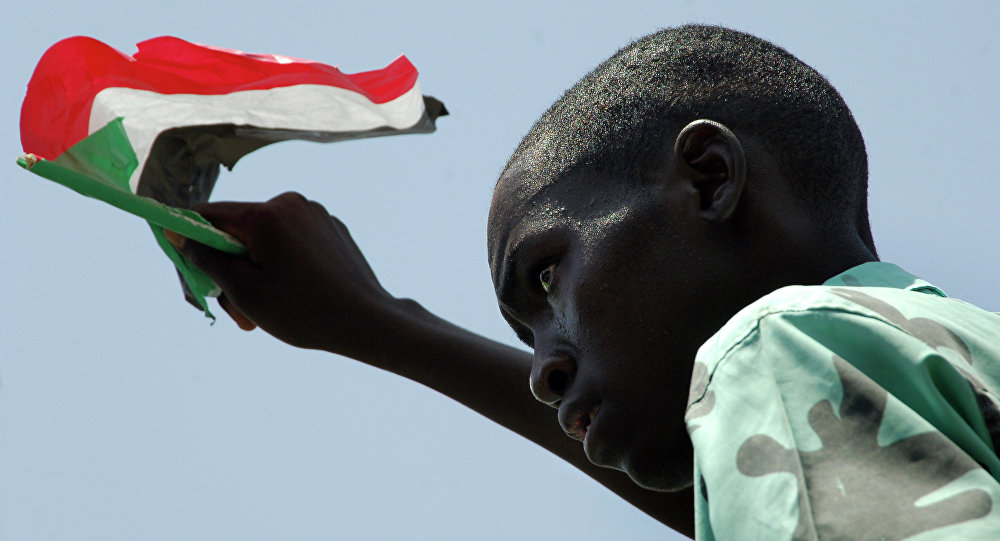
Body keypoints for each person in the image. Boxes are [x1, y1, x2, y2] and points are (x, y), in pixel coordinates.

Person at [164, 24, 1000, 539]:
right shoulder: (948, 351)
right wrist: (378, 321)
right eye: (530, 334)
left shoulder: (777, 349)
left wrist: (380, 321)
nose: (544, 369)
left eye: (546, 274)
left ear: (709, 180)